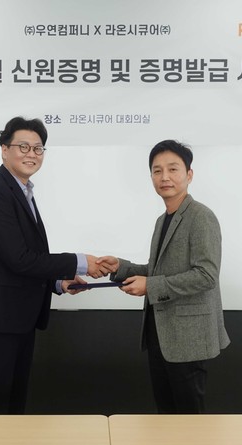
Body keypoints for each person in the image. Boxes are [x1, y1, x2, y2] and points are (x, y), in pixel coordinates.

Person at [0, 116, 108, 414]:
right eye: (23, 146)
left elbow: (21, 259)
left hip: (17, 319)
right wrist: (81, 262)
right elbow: (19, 259)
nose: (31, 154)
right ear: (4, 150)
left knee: (14, 406)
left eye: (38, 148)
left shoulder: (23, 191)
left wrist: (58, 282)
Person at [98, 140, 230, 414]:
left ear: (189, 175)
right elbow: (159, 270)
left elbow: (206, 276)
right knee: (166, 419)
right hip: (161, 334)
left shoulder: (201, 216)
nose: (164, 177)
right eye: (157, 171)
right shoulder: (163, 219)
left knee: (188, 422)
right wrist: (120, 267)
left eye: (173, 169)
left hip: (188, 338)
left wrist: (151, 286)